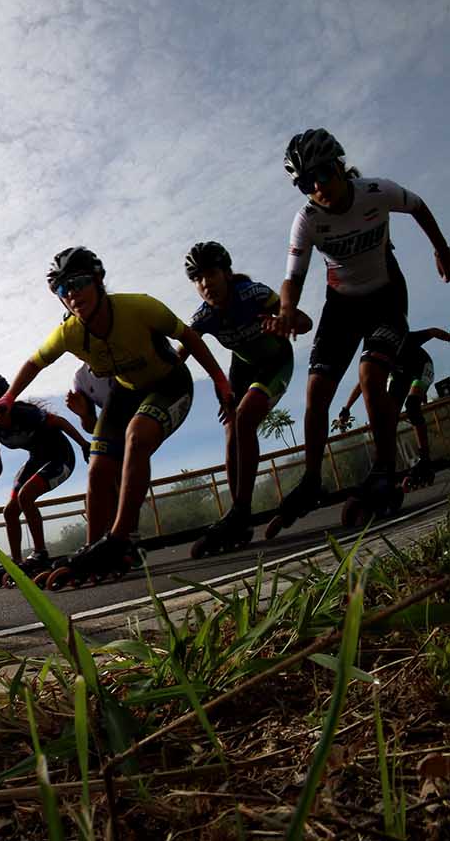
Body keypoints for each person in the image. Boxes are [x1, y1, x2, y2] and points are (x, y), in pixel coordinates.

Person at [0, 247, 233, 586]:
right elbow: (34, 363)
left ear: (99, 280)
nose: (72, 293)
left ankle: (119, 539)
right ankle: (94, 547)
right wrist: (10, 396)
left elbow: (188, 337)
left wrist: (220, 381)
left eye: (79, 282)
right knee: (99, 466)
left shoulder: (138, 306)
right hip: (125, 393)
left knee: (137, 436)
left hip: (169, 383)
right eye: (62, 288)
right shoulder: (70, 332)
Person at [266, 129, 450, 531]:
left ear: (340, 166)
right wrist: (286, 310)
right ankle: (313, 478)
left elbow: (418, 206)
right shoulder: (308, 219)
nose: (318, 187)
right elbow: (292, 277)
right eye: (305, 183)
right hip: (342, 306)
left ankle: (384, 468)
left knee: (371, 376)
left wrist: (442, 249)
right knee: (316, 390)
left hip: (386, 298)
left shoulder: (376, 191)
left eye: (325, 173)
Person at [181, 241, 311, 556]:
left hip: (275, 362)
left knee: (246, 416)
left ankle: (241, 510)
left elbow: (304, 323)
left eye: (211, 273)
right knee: (231, 433)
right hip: (242, 369)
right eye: (197, 279)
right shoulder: (203, 316)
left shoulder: (253, 294)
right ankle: (238, 512)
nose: (205, 284)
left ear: (226, 273)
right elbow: (178, 356)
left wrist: (284, 319)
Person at [0, 372, 88, 586]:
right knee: (10, 511)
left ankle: (40, 553)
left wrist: (84, 445)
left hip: (61, 457)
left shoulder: (25, 413)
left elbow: (60, 422)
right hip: (38, 460)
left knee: (25, 497)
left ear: (4, 396)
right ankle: (16, 562)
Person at [337, 326, 449, 490]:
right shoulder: (377, 353)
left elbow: (433, 332)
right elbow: (363, 382)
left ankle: (425, 460)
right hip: (399, 376)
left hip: (421, 368)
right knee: (388, 418)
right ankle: (386, 465)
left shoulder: (405, 338)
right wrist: (346, 408)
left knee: (411, 407)